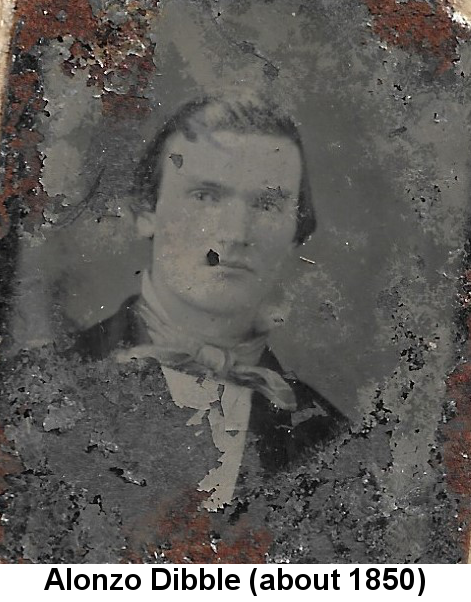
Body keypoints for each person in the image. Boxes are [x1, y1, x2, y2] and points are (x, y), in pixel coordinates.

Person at [0, 91, 349, 563]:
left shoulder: (332, 442)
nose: (236, 232)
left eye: (267, 204)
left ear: (295, 233)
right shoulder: (30, 393)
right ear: (146, 211)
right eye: (206, 196)